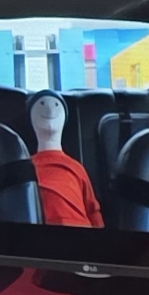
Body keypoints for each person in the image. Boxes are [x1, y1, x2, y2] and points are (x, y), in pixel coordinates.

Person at [26, 94, 104, 230]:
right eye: (42, 104)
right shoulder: (25, 166)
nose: (50, 109)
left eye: (56, 105)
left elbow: (93, 209)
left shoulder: (76, 167)